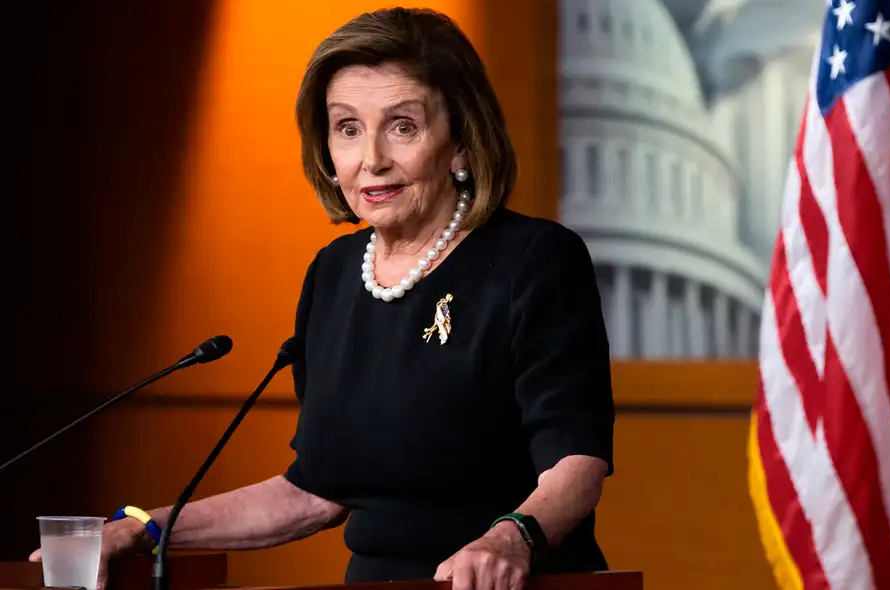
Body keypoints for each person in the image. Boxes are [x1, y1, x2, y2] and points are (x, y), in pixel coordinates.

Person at [30, 7, 616, 590]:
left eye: (403, 126)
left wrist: (509, 539)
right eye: (348, 128)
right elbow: (313, 491)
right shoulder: (334, 275)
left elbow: (577, 459)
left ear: (462, 142)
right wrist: (145, 528)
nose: (372, 159)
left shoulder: (533, 260)